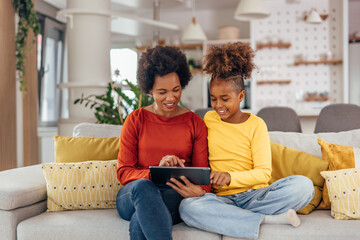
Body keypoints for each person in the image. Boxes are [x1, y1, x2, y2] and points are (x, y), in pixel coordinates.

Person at [179, 42, 314, 239]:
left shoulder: (256, 125)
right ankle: (266, 220)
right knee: (187, 207)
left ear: (241, 95)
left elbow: (263, 173)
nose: (218, 105)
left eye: (225, 99)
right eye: (213, 99)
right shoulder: (208, 120)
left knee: (303, 186)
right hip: (219, 199)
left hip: (255, 196)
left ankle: (239, 219)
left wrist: (230, 177)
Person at [116, 45, 210, 240]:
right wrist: (155, 171)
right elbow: (124, 172)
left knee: (141, 219)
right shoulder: (136, 120)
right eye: (162, 92)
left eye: (176, 90)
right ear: (149, 89)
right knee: (144, 188)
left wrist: (199, 191)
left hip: (173, 194)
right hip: (133, 193)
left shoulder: (195, 123)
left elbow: (203, 176)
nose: (170, 98)